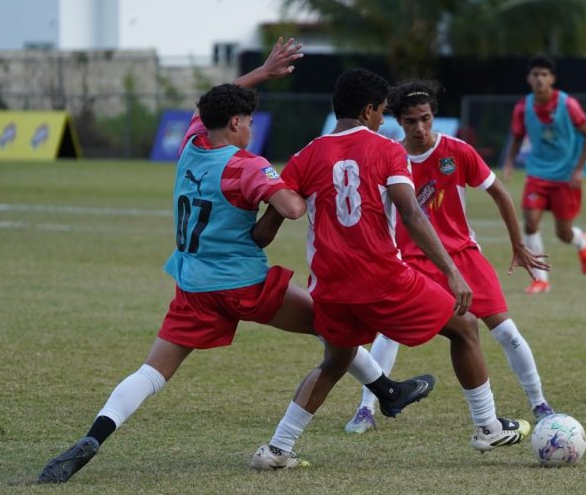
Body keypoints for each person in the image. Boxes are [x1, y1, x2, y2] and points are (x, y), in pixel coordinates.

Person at [38, 39, 434, 484]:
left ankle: (96, 433)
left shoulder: (191, 144)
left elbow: (212, 102)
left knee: (151, 372)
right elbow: (292, 208)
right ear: (234, 123)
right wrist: (295, 181)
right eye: (247, 121)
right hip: (243, 283)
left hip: (192, 285)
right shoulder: (245, 165)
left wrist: (262, 73)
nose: (251, 128)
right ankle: (386, 389)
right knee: (332, 322)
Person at [248, 69, 529, 470]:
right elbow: (412, 212)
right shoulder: (386, 150)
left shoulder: (305, 155)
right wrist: (451, 271)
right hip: (383, 280)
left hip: (329, 288)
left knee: (335, 362)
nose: (384, 119)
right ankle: (487, 427)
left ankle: (277, 450)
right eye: (381, 111)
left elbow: (266, 230)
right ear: (367, 111)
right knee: (465, 328)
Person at [345, 81, 556, 435]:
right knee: (388, 333)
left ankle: (540, 404)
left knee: (505, 330)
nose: (420, 128)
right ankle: (366, 408)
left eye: (426, 119)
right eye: (411, 121)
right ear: (399, 121)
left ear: (434, 116)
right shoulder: (387, 157)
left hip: (464, 257)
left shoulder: (457, 152)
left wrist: (518, 245)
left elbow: (500, 193)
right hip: (411, 260)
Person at [501, 55, 586, 294]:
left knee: (563, 233)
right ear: (528, 79)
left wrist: (578, 170)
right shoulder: (523, 107)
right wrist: (510, 162)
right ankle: (540, 279)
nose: (540, 79)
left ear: (552, 78)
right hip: (537, 173)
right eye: (535, 75)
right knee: (530, 224)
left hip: (565, 175)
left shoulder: (569, 105)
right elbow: (517, 136)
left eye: (544, 74)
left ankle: (582, 240)